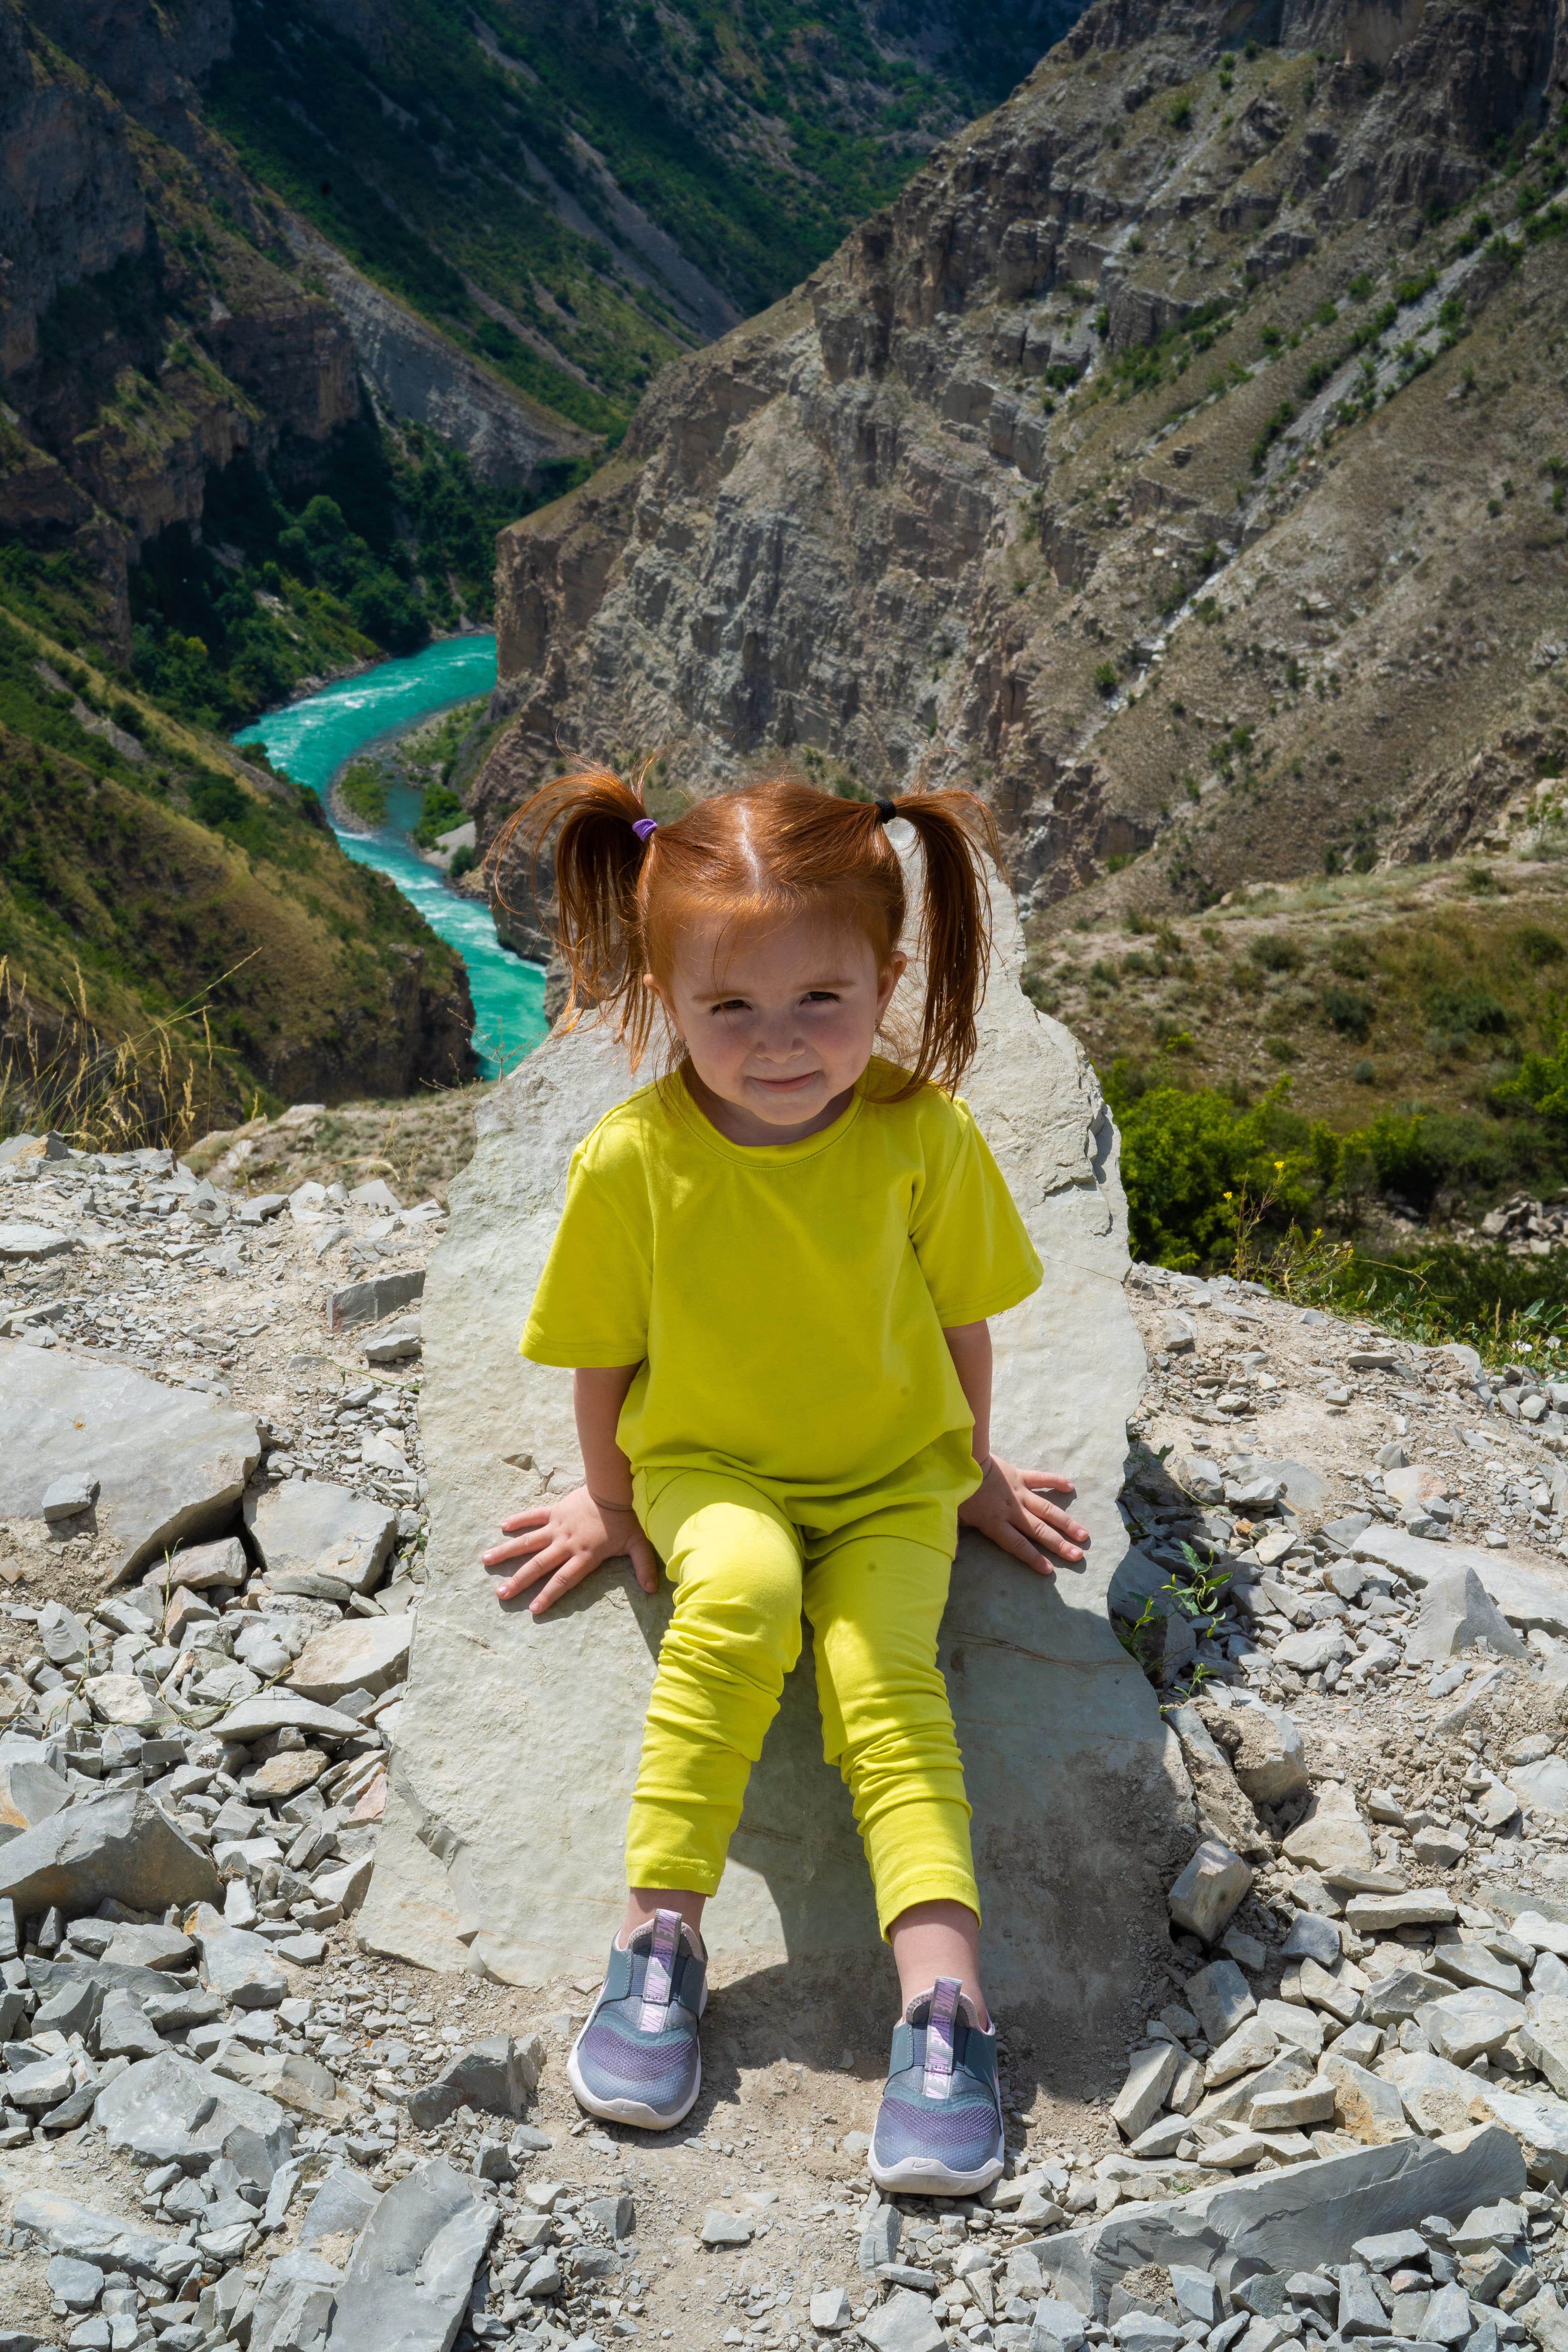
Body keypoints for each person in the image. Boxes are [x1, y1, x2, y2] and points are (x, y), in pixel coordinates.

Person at [481, 769, 1089, 2195]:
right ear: (661, 998)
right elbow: (604, 1364)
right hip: (707, 1466)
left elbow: (961, 1323)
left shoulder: (920, 1137)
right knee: (737, 1609)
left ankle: (948, 2014)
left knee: (888, 1680)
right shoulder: (634, 1161)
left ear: (886, 980)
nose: (776, 1048)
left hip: (891, 1480)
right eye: (727, 1011)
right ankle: (658, 1941)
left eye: (820, 1003)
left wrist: (970, 1469)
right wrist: (611, 1500)